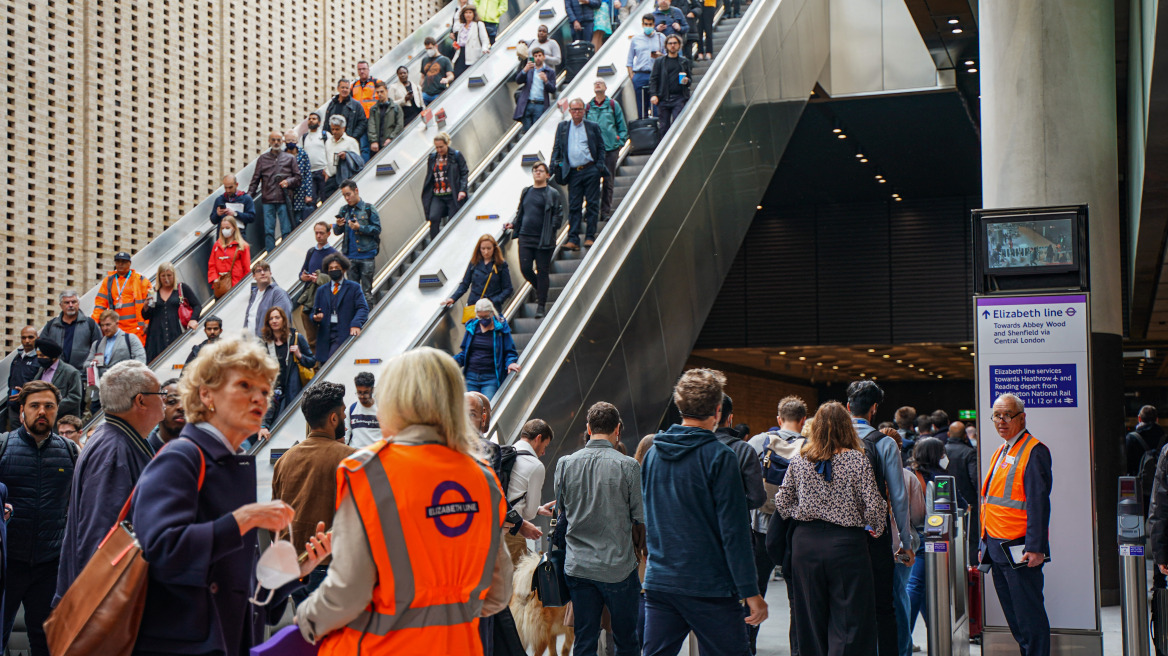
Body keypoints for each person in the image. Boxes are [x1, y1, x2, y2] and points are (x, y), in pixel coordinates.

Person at [294, 347, 506, 654]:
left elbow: (348, 594)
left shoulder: (368, 471)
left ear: (395, 402)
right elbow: (498, 594)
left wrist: (305, 620)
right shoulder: (484, 478)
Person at [131, 338, 331, 655]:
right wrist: (243, 519)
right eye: (244, 386)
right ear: (206, 394)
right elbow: (161, 549)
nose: (259, 399)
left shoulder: (230, 463)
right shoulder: (182, 457)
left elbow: (238, 587)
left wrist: (297, 571)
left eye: (265, 391)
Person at [642, 369, 766, 654]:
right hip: (710, 586)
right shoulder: (721, 457)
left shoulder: (653, 454)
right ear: (718, 410)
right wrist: (751, 592)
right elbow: (734, 532)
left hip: (661, 582)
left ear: (679, 405)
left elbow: (650, 518)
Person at [774, 401, 887, 656]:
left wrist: (803, 514)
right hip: (847, 545)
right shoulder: (857, 460)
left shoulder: (801, 459)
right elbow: (874, 505)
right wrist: (876, 527)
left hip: (806, 544)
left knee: (811, 618)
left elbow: (782, 502)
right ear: (846, 427)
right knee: (850, 620)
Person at [54, 361, 163, 606]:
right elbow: (101, 535)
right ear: (141, 401)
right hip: (107, 601)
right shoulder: (114, 451)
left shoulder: (114, 438)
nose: (165, 400)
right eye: (161, 393)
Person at [554, 401, 642, 656]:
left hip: (578, 565)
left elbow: (560, 509)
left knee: (585, 639)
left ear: (589, 429)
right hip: (619, 567)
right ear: (617, 430)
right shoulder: (628, 466)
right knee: (627, 640)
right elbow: (638, 516)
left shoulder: (565, 464)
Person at [0, 381, 77, 655]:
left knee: (46, 643)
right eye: (34, 406)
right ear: (22, 411)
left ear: (57, 411)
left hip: (49, 565)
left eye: (49, 406)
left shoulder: (70, 452)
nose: (42, 411)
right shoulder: (3, 446)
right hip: (7, 564)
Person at [979, 393, 1052, 656]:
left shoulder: (1035, 451)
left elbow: (1038, 504)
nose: (1001, 420)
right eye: (997, 415)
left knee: (1028, 617)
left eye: (1007, 415)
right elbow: (991, 502)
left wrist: (1035, 547)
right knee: (1016, 618)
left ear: (1022, 418)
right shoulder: (1002, 449)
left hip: (1020, 549)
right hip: (997, 547)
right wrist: (984, 542)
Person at [272, 381, 354, 605]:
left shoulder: (283, 461)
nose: (345, 421)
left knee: (305, 634)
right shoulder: (351, 459)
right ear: (333, 419)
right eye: (343, 414)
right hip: (330, 566)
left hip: (294, 568)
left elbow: (275, 520)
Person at [847, 380, 911, 656]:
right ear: (874, 409)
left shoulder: (831, 440)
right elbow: (898, 496)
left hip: (839, 535)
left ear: (848, 406)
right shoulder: (884, 443)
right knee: (884, 606)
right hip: (876, 535)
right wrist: (905, 541)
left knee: (847, 605)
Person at [750, 395, 807, 656]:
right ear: (803, 419)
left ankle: (747, 646)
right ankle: (798, 650)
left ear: (778, 418)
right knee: (798, 600)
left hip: (761, 528)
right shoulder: (812, 446)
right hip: (797, 532)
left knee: (755, 590)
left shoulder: (757, 442)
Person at [905, 436, 962, 640]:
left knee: (921, 588)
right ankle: (904, 639)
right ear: (936, 455)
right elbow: (959, 503)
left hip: (908, 536)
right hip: (927, 538)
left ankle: (938, 636)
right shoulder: (938, 477)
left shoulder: (909, 472)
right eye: (942, 453)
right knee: (916, 585)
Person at [505, 162, 564, 318]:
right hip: (525, 236)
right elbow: (521, 211)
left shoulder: (552, 193)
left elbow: (559, 213)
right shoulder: (526, 191)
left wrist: (552, 229)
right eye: (535, 171)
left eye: (540, 171)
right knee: (525, 269)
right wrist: (514, 224)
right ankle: (540, 289)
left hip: (543, 239)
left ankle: (541, 306)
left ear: (547, 175)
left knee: (542, 270)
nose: (537, 173)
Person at [551, 98, 608, 250]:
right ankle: (573, 239)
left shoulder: (592, 127)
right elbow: (557, 149)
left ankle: (590, 236)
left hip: (590, 169)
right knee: (574, 206)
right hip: (573, 172)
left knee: (592, 204)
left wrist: (599, 166)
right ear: (569, 111)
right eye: (574, 109)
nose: (577, 112)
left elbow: (601, 147)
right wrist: (554, 166)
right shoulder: (563, 127)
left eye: (579, 109)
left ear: (584, 111)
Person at [258, 306, 315, 438]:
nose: (274, 321)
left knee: (287, 424)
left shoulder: (296, 338)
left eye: (277, 317)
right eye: (271, 319)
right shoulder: (265, 343)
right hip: (274, 389)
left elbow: (312, 361)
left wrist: (299, 355)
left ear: (283, 320)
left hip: (292, 389)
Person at [505, 419, 553, 565]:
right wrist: (535, 511)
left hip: (491, 529)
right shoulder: (535, 465)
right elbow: (529, 513)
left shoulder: (507, 454)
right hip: (511, 532)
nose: (544, 452)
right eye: (545, 446)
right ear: (538, 438)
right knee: (515, 583)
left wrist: (539, 510)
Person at [453, 299, 520, 399]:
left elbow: (509, 351)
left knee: (486, 408)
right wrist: (450, 361)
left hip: (490, 378)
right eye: (480, 317)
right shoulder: (472, 328)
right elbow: (465, 354)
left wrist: (510, 362)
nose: (483, 320)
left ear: (492, 313)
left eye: (486, 316)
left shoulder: (500, 329)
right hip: (471, 376)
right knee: (469, 410)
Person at [248, 130, 301, 253]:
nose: (276, 142)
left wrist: (288, 182)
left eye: (278, 140)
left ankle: (286, 254)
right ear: (269, 141)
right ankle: (271, 256)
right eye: (273, 140)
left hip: (284, 199)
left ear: (282, 142)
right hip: (268, 200)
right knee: (268, 231)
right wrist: (249, 197)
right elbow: (255, 180)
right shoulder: (262, 159)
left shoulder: (289, 158)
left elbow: (298, 178)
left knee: (286, 230)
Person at [312, 253, 370, 365]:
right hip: (325, 337)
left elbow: (363, 308)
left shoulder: (354, 287)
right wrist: (316, 318)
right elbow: (314, 312)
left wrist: (356, 323)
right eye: (331, 268)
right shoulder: (322, 290)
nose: (334, 270)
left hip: (343, 334)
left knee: (332, 364)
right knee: (325, 366)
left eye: (336, 268)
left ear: (343, 269)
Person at [444, 234, 515, 320]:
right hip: (474, 306)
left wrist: (495, 301)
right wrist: (453, 298)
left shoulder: (501, 264)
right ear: (479, 249)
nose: (486, 252)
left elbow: (508, 288)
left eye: (489, 248)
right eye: (483, 249)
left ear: (494, 248)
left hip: (492, 307)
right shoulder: (474, 262)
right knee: (473, 331)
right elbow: (465, 284)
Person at [586, 80, 629, 221]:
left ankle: (605, 211)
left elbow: (622, 126)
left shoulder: (612, 105)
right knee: (592, 181)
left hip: (610, 149)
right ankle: (590, 211)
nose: (597, 84)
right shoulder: (588, 107)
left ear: (605, 88)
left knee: (608, 181)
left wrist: (619, 142)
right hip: (593, 151)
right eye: (595, 83)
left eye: (600, 83)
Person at [142, 262, 202, 361]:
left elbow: (197, 305)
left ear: (174, 275)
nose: (166, 279)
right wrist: (145, 307)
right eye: (163, 276)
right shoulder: (154, 292)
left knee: (176, 362)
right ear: (159, 277)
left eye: (169, 275)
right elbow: (147, 316)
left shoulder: (182, 288)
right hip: (156, 337)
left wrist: (193, 319)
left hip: (176, 332)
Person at [333, 179, 382, 302]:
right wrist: (338, 225)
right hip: (349, 256)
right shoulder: (343, 210)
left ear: (356, 191)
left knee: (366, 292)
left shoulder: (368, 208)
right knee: (351, 293)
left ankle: (368, 318)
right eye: (344, 195)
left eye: (348, 194)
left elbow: (377, 229)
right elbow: (337, 232)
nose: (346, 198)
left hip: (366, 256)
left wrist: (360, 227)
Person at [714, 395, 765, 510]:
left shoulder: (694, 445)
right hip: (734, 522)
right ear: (730, 418)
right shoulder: (744, 450)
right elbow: (757, 498)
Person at [91, 251, 152, 345]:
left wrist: (148, 322)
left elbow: (150, 303)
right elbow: (100, 304)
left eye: (123, 262)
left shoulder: (140, 280)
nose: (120, 264)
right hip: (116, 329)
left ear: (129, 264)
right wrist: (93, 323)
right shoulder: (109, 281)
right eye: (118, 261)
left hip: (137, 330)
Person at [421, 133, 470, 239]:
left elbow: (464, 172)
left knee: (452, 221)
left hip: (453, 195)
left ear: (447, 144)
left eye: (441, 147)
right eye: (437, 147)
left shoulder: (456, 155)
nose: (439, 150)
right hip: (438, 195)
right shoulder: (433, 158)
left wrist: (462, 190)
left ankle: (451, 241)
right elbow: (430, 176)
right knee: (433, 218)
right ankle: (434, 244)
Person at [298, 221, 338, 348]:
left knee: (327, 333)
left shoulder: (334, 254)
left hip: (326, 300)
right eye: (316, 233)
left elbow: (338, 279)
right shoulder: (311, 252)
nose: (319, 235)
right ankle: (316, 365)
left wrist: (319, 279)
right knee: (311, 338)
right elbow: (302, 272)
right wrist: (303, 277)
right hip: (309, 300)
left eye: (321, 233)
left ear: (328, 234)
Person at [41, 290, 102, 371]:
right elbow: (41, 347)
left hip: (82, 374)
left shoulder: (90, 324)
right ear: (60, 305)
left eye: (73, 302)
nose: (71, 305)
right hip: (56, 374)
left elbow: (99, 347)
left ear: (78, 304)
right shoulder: (51, 325)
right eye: (67, 302)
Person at [649, 34, 692, 134]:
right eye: (670, 43)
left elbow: (690, 79)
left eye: (675, 43)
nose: (672, 45)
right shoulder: (660, 61)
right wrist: (653, 94)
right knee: (663, 127)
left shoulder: (684, 61)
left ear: (679, 45)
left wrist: (686, 81)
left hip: (679, 97)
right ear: (666, 46)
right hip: (663, 98)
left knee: (678, 123)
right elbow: (654, 79)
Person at [87, 309, 148, 377]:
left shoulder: (130, 338)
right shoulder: (97, 344)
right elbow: (87, 364)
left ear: (117, 323)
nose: (105, 328)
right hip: (104, 383)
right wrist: (93, 364)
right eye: (102, 325)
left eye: (108, 325)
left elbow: (141, 360)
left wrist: (127, 373)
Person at [32, 338, 82, 420]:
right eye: (37, 355)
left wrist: (50, 407)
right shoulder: (41, 370)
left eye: (42, 356)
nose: (39, 358)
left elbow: (74, 398)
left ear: (53, 356)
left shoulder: (71, 372)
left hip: (63, 422)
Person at [242, 261, 294, 339]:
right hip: (251, 345)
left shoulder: (278, 293)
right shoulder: (254, 294)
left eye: (265, 270)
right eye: (259, 271)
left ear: (270, 273)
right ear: (254, 276)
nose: (263, 273)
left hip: (268, 343)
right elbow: (249, 319)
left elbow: (283, 320)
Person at [628, 14, 666, 118]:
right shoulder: (636, 39)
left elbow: (668, 57)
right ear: (642, 24)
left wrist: (660, 55)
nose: (648, 26)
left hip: (656, 74)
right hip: (640, 74)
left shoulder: (661, 37)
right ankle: (644, 128)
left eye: (650, 24)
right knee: (641, 106)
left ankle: (657, 128)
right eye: (646, 24)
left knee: (656, 106)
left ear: (654, 24)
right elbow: (629, 60)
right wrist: (633, 77)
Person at [513, 47, 557, 134]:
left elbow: (553, 89)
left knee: (537, 131)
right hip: (527, 103)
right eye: (535, 56)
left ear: (544, 57)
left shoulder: (549, 71)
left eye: (540, 55)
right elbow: (518, 80)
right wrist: (524, 70)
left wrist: (546, 81)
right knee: (527, 131)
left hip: (540, 105)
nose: (537, 58)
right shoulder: (529, 70)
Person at [3, 326, 40, 430]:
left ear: (37, 338)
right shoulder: (17, 357)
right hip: (14, 407)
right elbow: (11, 380)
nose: (27, 341)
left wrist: (27, 395)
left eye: (30, 337)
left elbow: (41, 383)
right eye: (23, 338)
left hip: (30, 407)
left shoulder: (39, 359)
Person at [207, 216, 252, 293]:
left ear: (234, 228)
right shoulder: (217, 245)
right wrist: (215, 279)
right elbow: (212, 265)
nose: (224, 230)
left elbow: (246, 269)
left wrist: (244, 287)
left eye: (227, 228)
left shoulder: (242, 246)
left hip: (237, 287)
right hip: (220, 287)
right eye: (222, 228)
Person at [322, 115, 362, 201]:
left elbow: (357, 161)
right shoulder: (328, 142)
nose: (334, 132)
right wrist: (326, 172)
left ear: (343, 128)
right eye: (332, 129)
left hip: (345, 178)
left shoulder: (351, 142)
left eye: (337, 129)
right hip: (331, 178)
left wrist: (346, 156)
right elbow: (326, 158)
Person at [284, 129, 315, 225]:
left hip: (301, 191)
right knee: (287, 219)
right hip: (286, 192)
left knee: (298, 219)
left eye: (293, 140)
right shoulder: (281, 155)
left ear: (297, 141)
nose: (290, 143)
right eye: (288, 140)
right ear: (284, 141)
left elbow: (308, 174)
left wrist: (309, 194)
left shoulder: (303, 154)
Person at [324, 78, 368, 144]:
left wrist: (353, 137)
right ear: (338, 88)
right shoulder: (332, 104)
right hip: (332, 141)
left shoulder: (356, 105)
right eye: (342, 87)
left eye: (347, 88)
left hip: (348, 142)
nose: (344, 90)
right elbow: (327, 122)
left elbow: (362, 122)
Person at [367, 80, 404, 156]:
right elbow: (371, 125)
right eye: (377, 92)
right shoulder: (373, 109)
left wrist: (391, 138)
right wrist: (373, 141)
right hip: (377, 145)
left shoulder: (396, 107)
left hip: (391, 143)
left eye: (382, 91)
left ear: (387, 91)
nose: (379, 94)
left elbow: (400, 125)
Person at [147, 378, 185, 451]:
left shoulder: (201, 451)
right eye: (172, 402)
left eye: (186, 402)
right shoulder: (143, 452)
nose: (181, 407)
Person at [452, 5, 491, 77]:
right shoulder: (461, 26)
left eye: (470, 12)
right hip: (461, 54)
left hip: (472, 54)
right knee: (458, 75)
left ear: (474, 14)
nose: (468, 15)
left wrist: (484, 48)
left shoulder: (478, 24)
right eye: (466, 13)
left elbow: (485, 39)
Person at [350, 63, 379, 161]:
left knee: (376, 145)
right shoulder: (354, 86)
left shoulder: (376, 83)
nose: (362, 71)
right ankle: (365, 169)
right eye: (359, 69)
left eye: (364, 69)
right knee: (364, 147)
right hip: (361, 120)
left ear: (368, 70)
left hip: (374, 119)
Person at [1127, 404, 1164, 477]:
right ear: (1157, 419)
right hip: (1161, 485)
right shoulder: (1164, 438)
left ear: (1139, 419)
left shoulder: (1131, 438)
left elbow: (1128, 465)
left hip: (1138, 483)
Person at [301, 113, 330, 206]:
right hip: (309, 173)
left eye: (314, 118)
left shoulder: (325, 134)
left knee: (325, 198)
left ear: (319, 122)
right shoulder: (304, 137)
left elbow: (331, 152)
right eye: (309, 119)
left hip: (323, 171)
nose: (311, 120)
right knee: (311, 201)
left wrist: (328, 169)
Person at [346, 372, 381, 448]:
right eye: (359, 392)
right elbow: (346, 436)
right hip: (356, 456)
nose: (362, 396)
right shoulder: (351, 409)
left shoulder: (383, 409)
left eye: (366, 393)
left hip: (377, 455)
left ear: (372, 390)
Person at [420, 37, 456, 104]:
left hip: (438, 93)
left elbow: (451, 75)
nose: (428, 51)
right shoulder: (424, 60)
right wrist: (420, 89)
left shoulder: (445, 60)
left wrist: (447, 79)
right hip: (425, 93)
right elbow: (422, 76)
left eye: (430, 48)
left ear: (436, 46)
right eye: (427, 49)